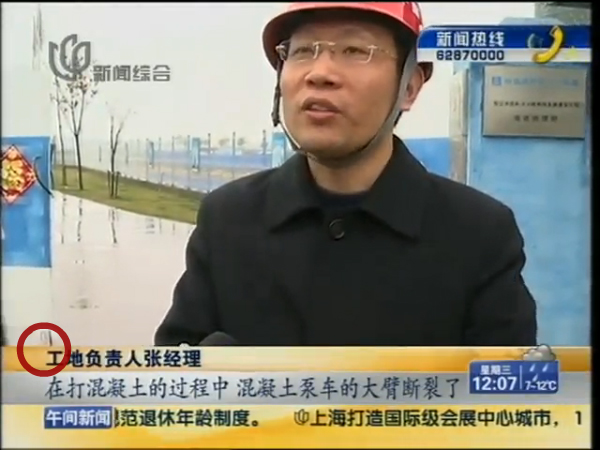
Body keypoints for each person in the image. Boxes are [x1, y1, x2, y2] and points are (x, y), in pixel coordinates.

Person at [155, 2, 537, 347]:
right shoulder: (227, 219)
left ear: (409, 87)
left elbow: (510, 395)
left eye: (355, 50)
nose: (320, 73)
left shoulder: (479, 234)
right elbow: (171, 374)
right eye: (302, 51)